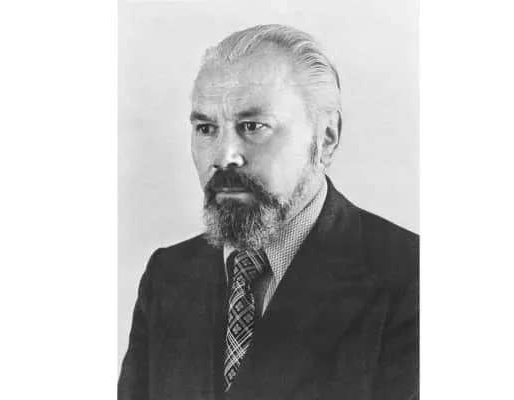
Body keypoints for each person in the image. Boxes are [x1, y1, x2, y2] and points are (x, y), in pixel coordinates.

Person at [119, 24, 418, 400]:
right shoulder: (167, 277)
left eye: (252, 126)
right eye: (206, 128)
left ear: (326, 138)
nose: (224, 156)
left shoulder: (411, 279)